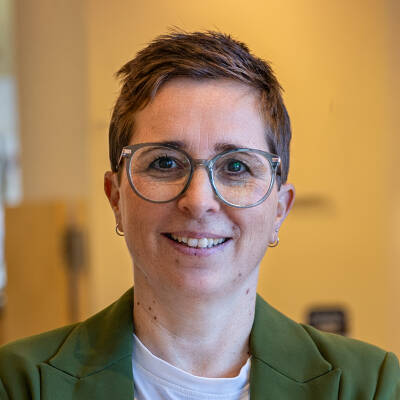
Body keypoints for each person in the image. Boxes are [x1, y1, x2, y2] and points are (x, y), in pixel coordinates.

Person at [0, 31, 399, 399]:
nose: (198, 201)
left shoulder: (369, 385)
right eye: (164, 162)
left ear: (279, 209)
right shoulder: (19, 383)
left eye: (236, 167)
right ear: (116, 198)